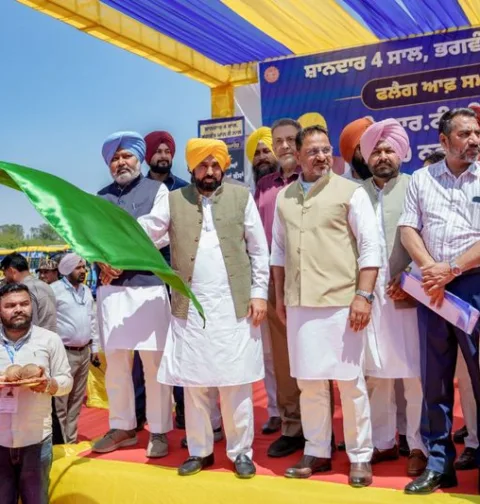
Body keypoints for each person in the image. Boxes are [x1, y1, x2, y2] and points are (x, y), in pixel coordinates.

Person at [139, 138, 270, 478]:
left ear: (223, 167)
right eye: (202, 165)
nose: (209, 171)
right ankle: (200, 451)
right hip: (191, 308)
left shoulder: (241, 197)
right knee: (194, 383)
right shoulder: (173, 200)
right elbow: (146, 232)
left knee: (235, 383)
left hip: (234, 307)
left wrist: (259, 294)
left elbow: (259, 250)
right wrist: (107, 230)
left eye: (215, 165)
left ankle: (241, 452)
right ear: (191, 168)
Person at [271, 125, 381, 487]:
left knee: (350, 383)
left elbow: (371, 247)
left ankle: (360, 456)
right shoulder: (285, 197)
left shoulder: (351, 192)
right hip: (300, 303)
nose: (321, 157)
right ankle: (317, 450)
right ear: (298, 156)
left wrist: (363, 296)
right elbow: (278, 252)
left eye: (325, 150)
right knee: (309, 382)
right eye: (312, 151)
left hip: (342, 302)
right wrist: (279, 297)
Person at [399, 107, 480, 494]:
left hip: (474, 285)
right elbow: (407, 228)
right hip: (432, 290)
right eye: (464, 134)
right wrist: (431, 268)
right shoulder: (421, 179)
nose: (474, 140)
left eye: (476, 133)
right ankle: (438, 464)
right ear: (444, 141)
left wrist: (452, 267)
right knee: (435, 379)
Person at [92, 131, 172, 458]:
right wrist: (101, 260)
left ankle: (160, 430)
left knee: (154, 365)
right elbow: (91, 235)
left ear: (139, 158)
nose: (121, 162)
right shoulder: (100, 198)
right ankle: (122, 426)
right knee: (116, 365)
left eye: (126, 155)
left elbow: (157, 229)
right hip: (112, 291)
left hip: (149, 287)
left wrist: (117, 256)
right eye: (115, 158)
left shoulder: (158, 190)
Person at [359, 119, 428, 477]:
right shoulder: (356, 193)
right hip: (369, 297)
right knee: (376, 374)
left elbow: (430, 235)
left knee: (415, 374)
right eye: (376, 151)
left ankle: (418, 445)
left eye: (389, 150)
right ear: (366, 157)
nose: (383, 156)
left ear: (401, 153)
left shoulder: (417, 186)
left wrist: (411, 279)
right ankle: (383, 442)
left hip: (410, 295)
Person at [254, 118, 305, 457]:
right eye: (278, 142)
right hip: (275, 281)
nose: (284, 146)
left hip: (313, 277)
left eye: (290, 140)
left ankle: (324, 429)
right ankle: (292, 427)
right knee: (284, 361)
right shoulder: (263, 187)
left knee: (319, 353)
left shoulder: (315, 178)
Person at [0, 283, 72, 504]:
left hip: (36, 441)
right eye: (10, 305)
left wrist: (49, 385)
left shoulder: (50, 340)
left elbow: (66, 380)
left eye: (24, 303)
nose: (18, 309)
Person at [143, 130, 189, 430]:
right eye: (158, 151)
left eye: (167, 151)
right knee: (145, 349)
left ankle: (185, 408)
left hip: (177, 276)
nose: (163, 156)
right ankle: (141, 414)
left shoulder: (184, 190)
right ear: (148, 156)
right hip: (143, 277)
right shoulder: (139, 191)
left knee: (181, 343)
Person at [246, 126, 281, 434]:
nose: (261, 157)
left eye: (266, 150)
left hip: (293, 279)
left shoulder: (291, 185)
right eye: (256, 153)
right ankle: (276, 411)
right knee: (269, 352)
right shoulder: (250, 193)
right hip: (262, 283)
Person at [51, 253, 99, 444]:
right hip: (64, 352)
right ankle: (60, 442)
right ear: (67, 269)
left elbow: (92, 320)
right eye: (78, 268)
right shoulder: (54, 290)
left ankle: (70, 441)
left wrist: (95, 348)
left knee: (77, 399)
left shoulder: (86, 290)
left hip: (84, 352)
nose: (83, 271)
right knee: (61, 400)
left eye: (84, 267)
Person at [1, 253, 56, 333]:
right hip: (49, 337)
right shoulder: (44, 286)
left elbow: (27, 327)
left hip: (36, 338)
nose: (5, 278)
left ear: (11, 271)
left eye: (5, 273)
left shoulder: (25, 290)